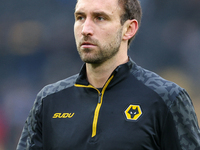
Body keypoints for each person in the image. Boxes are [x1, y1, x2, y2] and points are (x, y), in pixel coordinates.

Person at [16, 0, 200, 149]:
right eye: (80, 17)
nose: (85, 29)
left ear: (129, 29)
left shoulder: (167, 98)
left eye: (100, 18)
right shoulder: (48, 100)